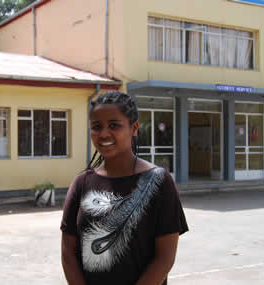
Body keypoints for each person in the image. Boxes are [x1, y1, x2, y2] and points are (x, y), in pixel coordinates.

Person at [61, 91, 188, 285]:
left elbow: (165, 258)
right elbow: (68, 253)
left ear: (134, 128)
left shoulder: (159, 182)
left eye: (114, 125)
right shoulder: (81, 184)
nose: (103, 133)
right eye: (97, 126)